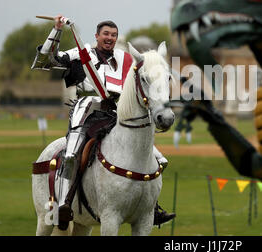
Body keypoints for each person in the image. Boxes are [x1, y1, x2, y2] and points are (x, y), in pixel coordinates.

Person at [32, 15, 175, 230]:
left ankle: (150, 207)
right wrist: (57, 30)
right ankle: (63, 205)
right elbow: (46, 60)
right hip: (86, 113)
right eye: (106, 34)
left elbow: (141, 82)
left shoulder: (126, 59)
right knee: (71, 154)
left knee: (158, 159)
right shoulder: (81, 54)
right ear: (97, 36)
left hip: (117, 114)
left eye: (113, 35)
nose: (110, 38)